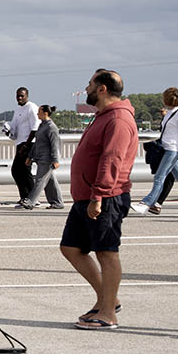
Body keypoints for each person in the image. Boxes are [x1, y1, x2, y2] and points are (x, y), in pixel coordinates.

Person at [62, 69, 138, 330]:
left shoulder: (118, 119)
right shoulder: (103, 116)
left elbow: (112, 160)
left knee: (106, 252)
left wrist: (99, 196)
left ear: (103, 88)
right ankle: (108, 298)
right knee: (71, 248)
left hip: (105, 197)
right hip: (87, 196)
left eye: (91, 84)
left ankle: (108, 314)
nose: (87, 88)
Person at [131, 88, 178, 218]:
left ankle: (146, 203)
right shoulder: (172, 112)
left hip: (173, 150)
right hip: (169, 148)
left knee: (160, 177)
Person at [21, 105, 64, 209]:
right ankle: (57, 202)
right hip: (40, 157)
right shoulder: (42, 125)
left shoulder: (51, 127)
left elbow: (55, 144)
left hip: (47, 159)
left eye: (39, 112)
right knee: (49, 180)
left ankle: (30, 201)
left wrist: (55, 160)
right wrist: (30, 157)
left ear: (45, 113)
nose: (37, 114)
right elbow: (37, 143)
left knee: (40, 180)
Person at [7, 87, 38, 203]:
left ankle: (32, 198)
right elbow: (14, 128)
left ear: (27, 96)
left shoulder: (31, 107)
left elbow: (35, 127)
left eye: (22, 96)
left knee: (24, 170)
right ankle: (24, 197)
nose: (19, 98)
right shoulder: (18, 109)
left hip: (29, 144)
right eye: (18, 96)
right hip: (20, 143)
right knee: (16, 171)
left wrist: (27, 144)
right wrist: (8, 131)